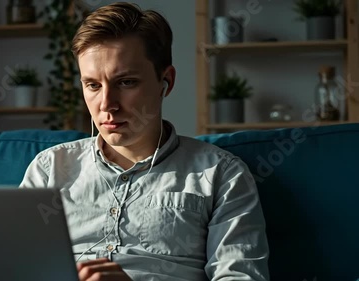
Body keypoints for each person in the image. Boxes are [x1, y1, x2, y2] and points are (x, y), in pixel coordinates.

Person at [20, 2, 269, 280]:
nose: (107, 104)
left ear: (166, 81)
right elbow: (11, 265)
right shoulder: (49, 168)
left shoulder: (222, 174)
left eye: (125, 82)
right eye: (93, 85)